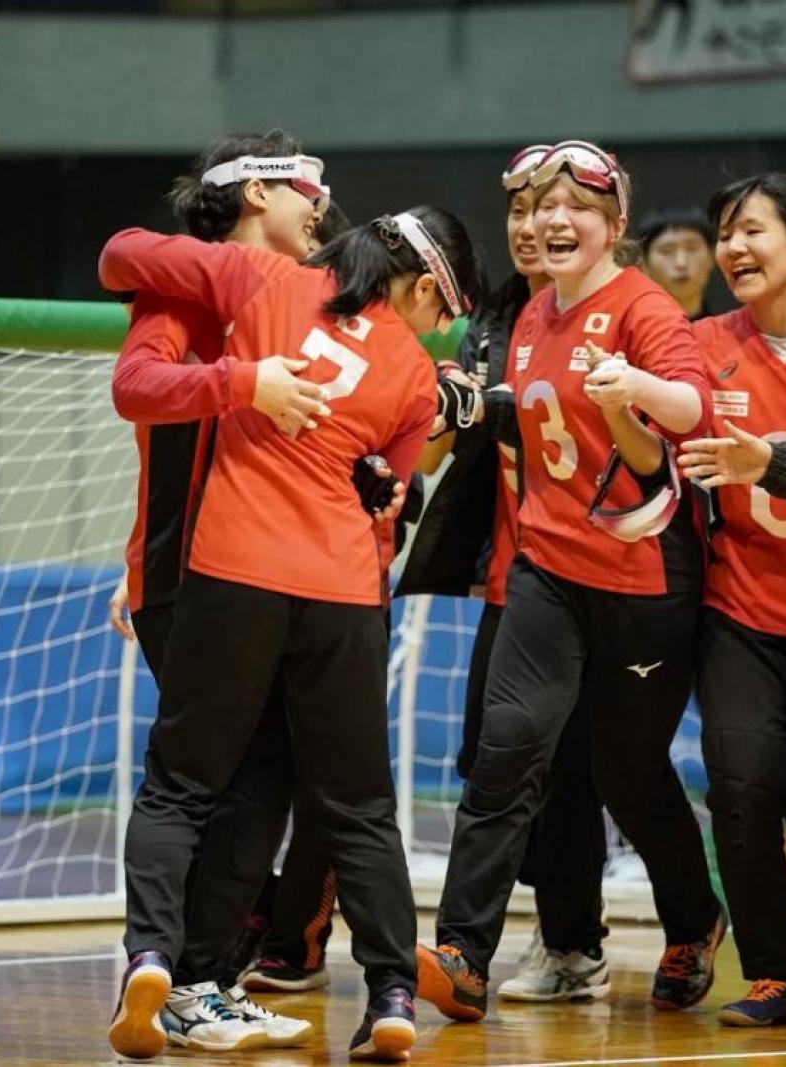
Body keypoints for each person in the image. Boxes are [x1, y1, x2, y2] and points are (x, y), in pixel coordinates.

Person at [99, 205, 485, 1061]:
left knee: (180, 787)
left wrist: (246, 379)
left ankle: (152, 956)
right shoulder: (418, 377)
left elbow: (117, 254)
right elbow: (386, 498)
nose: (435, 327)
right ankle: (389, 995)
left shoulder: (262, 278)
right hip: (344, 595)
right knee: (359, 810)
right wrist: (380, 480)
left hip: (234, 573)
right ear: (423, 286)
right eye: (442, 310)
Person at [415, 139, 725, 1024]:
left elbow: (695, 409)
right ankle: (463, 951)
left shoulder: (645, 308)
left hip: (644, 576)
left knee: (627, 772)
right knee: (507, 752)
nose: (546, 222)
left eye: (571, 209)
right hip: (546, 568)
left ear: (614, 225)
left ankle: (695, 918)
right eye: (526, 210)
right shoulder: (525, 318)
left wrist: (635, 389)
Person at [398, 143, 610, 1003]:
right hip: (513, 576)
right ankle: (543, 942)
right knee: (492, 764)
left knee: (600, 772)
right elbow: (443, 438)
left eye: (553, 212)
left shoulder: (618, 314)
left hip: (607, 578)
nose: (533, 228)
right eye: (520, 214)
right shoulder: (490, 321)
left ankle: (585, 937)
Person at [677, 172, 786, 1026]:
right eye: (726, 232)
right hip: (740, 612)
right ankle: (775, 970)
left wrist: (774, 462)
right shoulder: (703, 343)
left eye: (752, 229)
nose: (733, 248)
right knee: (742, 786)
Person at [637, 205, 715, 321]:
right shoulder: (626, 335)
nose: (681, 263)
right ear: (644, 263)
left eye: (692, 248)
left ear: (712, 256)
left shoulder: (728, 335)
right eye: (666, 251)